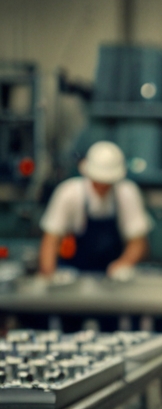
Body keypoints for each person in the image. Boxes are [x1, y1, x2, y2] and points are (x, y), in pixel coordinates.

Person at [38, 140, 151, 332]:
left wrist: (123, 264)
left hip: (111, 284)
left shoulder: (127, 194)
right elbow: (50, 241)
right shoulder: (69, 193)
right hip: (72, 281)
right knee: (69, 334)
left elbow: (138, 243)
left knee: (112, 333)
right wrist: (51, 279)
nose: (102, 186)